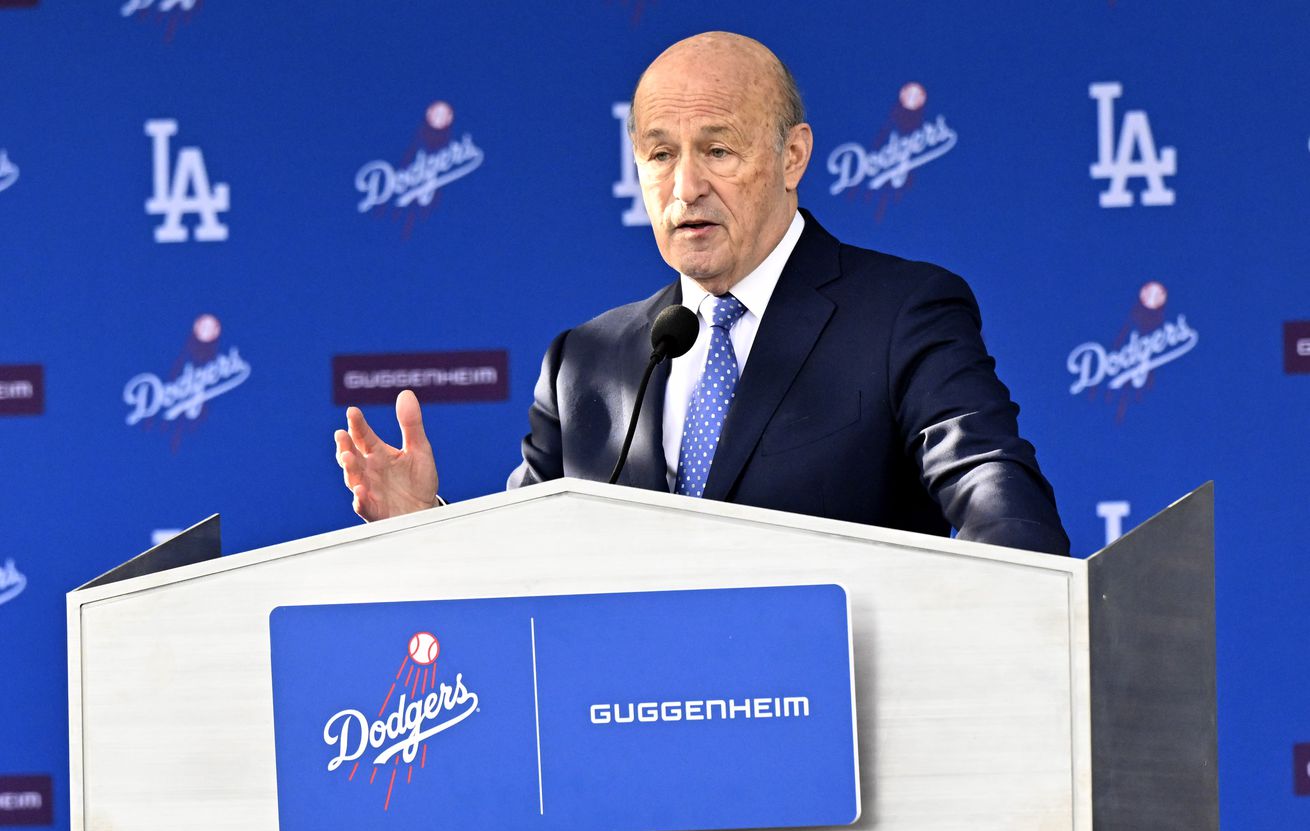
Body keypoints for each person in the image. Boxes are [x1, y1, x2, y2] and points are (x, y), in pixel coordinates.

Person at [334, 32, 1070, 555]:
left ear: (793, 157)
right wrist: (421, 524)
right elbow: (526, 573)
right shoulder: (585, 363)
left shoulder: (902, 314)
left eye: (718, 150)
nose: (686, 187)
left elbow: (999, 505)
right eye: (660, 155)